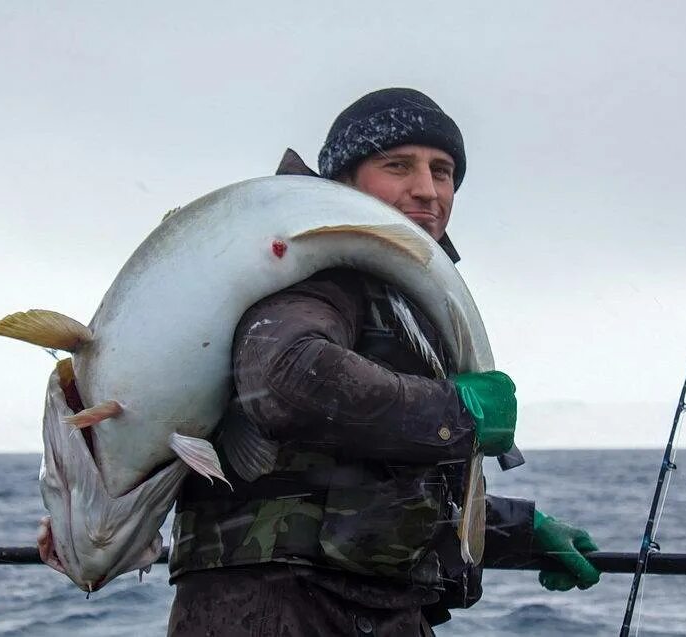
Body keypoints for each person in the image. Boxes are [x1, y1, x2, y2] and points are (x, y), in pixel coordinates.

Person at [166, 88, 600, 636]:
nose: (427, 190)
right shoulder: (310, 270)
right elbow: (285, 379)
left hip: (367, 607)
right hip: (281, 610)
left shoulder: (397, 296)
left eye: (442, 172)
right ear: (343, 182)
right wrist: (457, 412)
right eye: (397, 166)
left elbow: (365, 484)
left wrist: (519, 529)